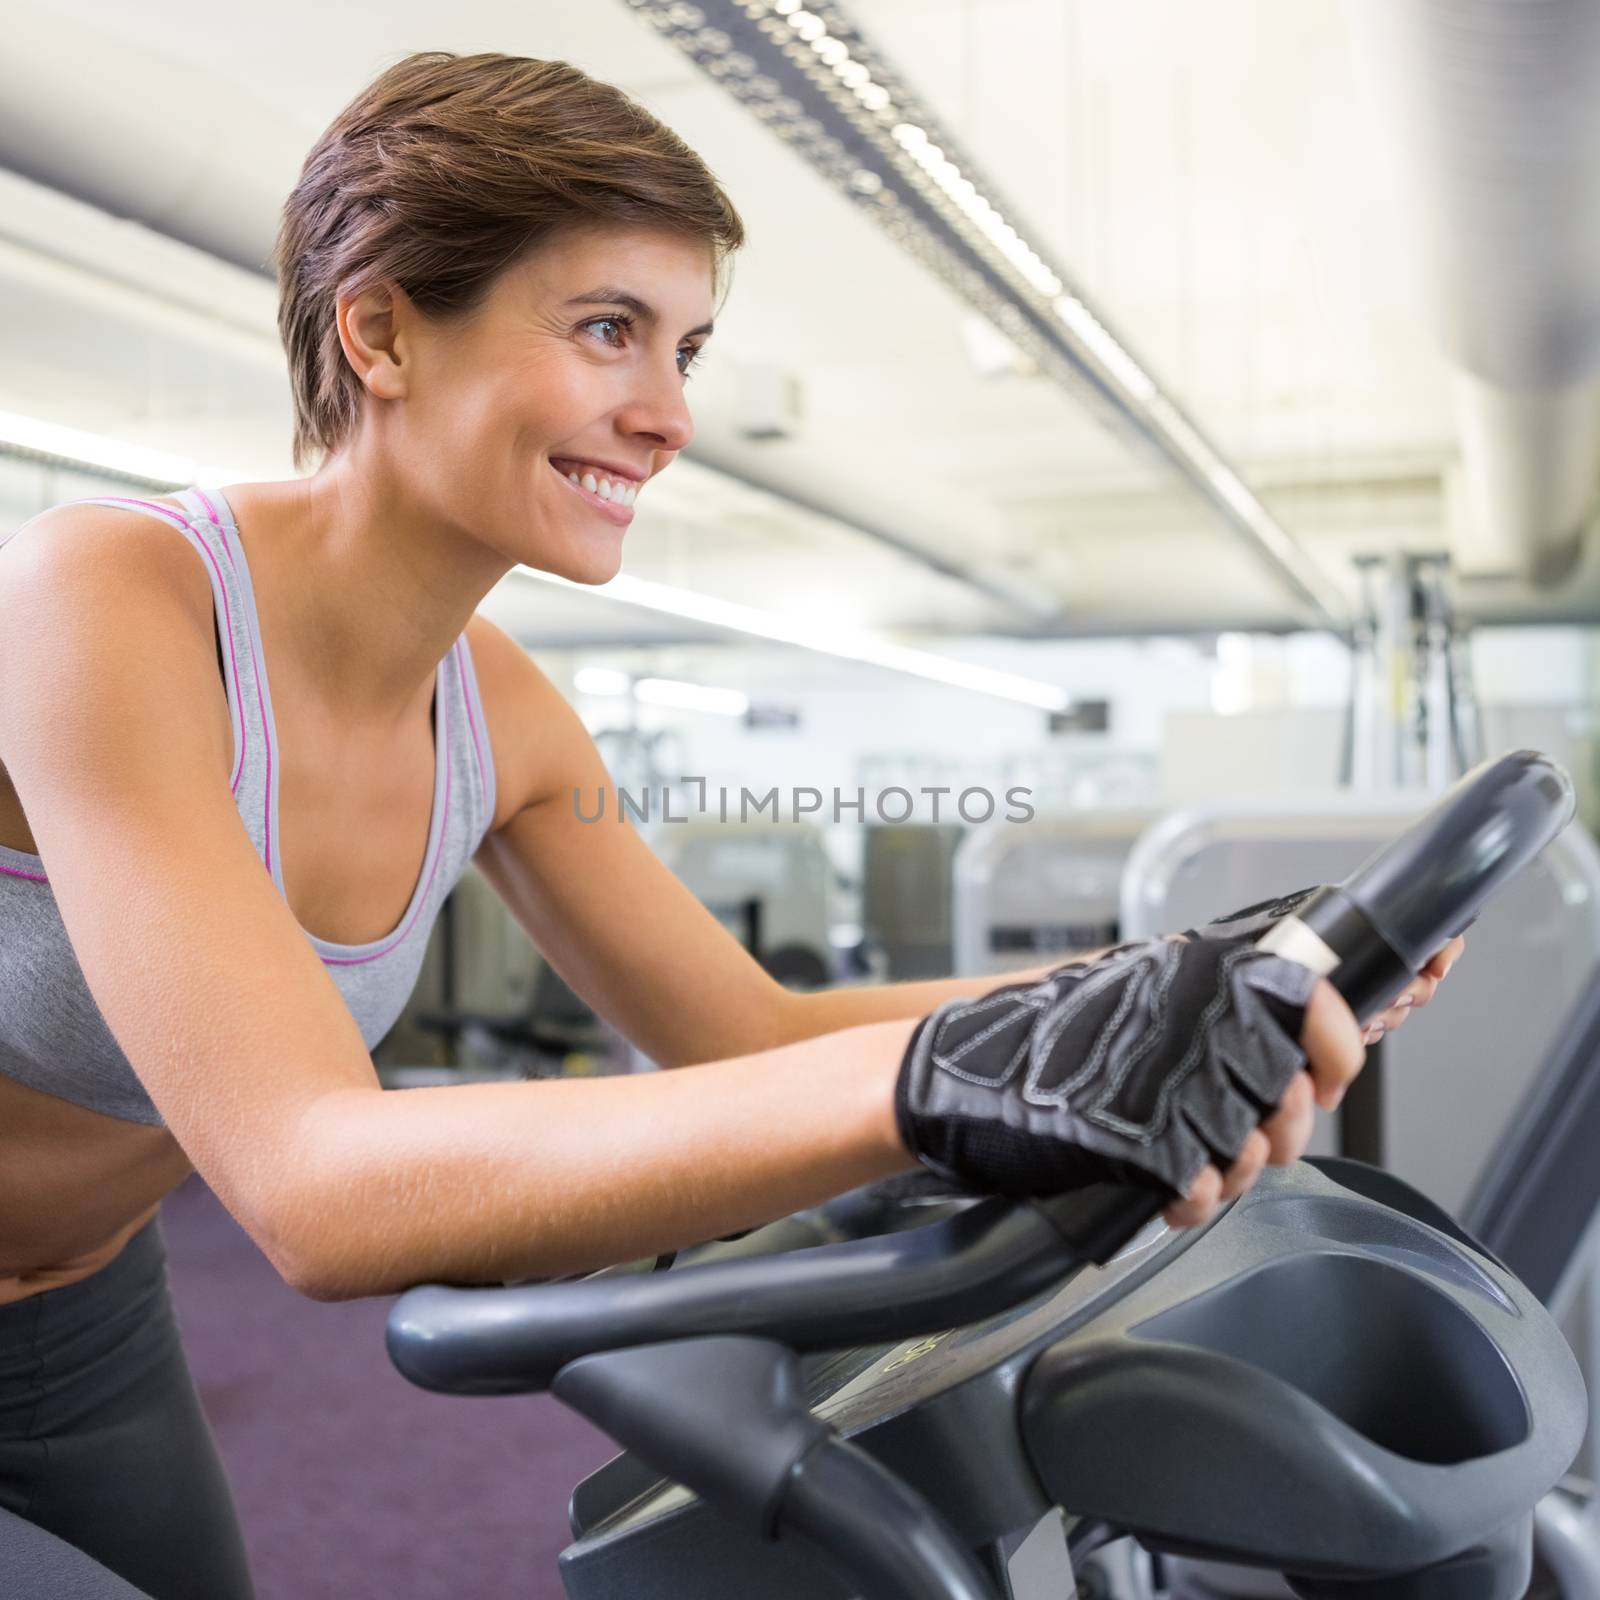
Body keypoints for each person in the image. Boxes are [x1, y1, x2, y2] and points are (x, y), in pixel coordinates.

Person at [0, 51, 1458, 1600]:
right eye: (607, 331)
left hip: (76, 1319)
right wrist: (944, 1082)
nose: (672, 412)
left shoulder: (502, 714)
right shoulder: (106, 599)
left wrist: (1160, 977)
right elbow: (309, 1182)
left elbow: (745, 1033)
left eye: (686, 347)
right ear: (380, 333)